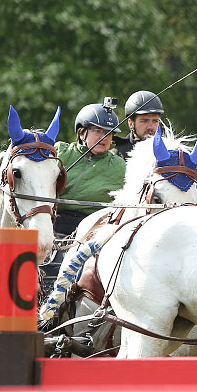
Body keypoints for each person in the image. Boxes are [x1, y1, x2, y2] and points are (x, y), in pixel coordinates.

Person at [41, 100, 126, 294]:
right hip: (51, 223)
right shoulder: (61, 152)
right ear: (81, 132)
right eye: (98, 131)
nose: (104, 137)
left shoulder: (120, 167)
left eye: (109, 133)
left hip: (92, 230)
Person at [114, 90, 164, 160]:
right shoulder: (117, 156)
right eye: (144, 121)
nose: (150, 127)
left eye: (155, 121)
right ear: (131, 123)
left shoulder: (169, 149)